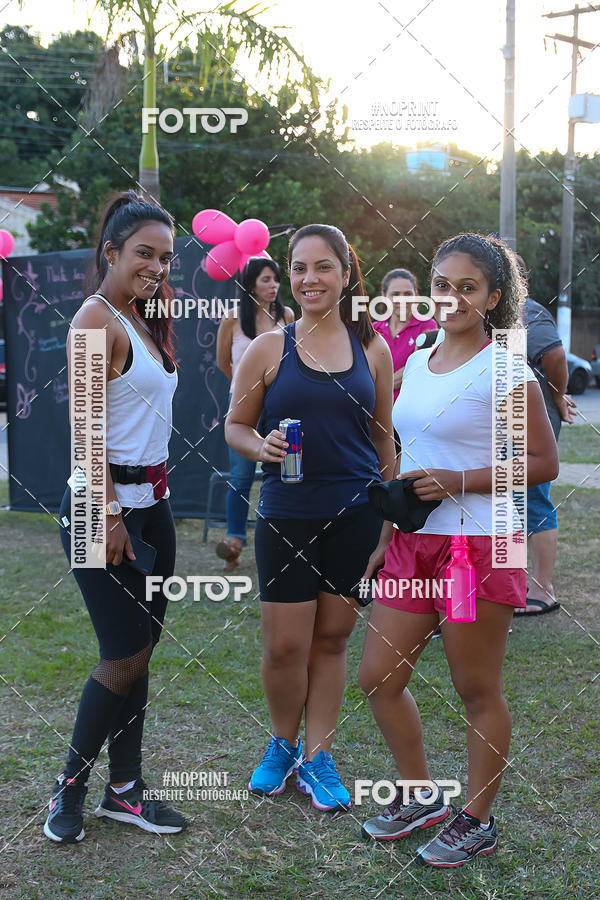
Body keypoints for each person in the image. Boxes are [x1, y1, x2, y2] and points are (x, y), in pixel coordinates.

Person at [358, 233, 559, 866]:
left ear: (493, 297)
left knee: (475, 687)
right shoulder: (419, 360)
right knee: (378, 677)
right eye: (442, 285)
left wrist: (461, 480)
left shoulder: (506, 368)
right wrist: (388, 531)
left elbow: (542, 462)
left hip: (479, 546)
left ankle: (477, 819)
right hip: (415, 542)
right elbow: (408, 448)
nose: (451, 297)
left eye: (467, 287)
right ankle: (420, 795)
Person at [225, 224, 395, 811]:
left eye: (323, 267)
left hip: (355, 515)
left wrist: (389, 517)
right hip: (287, 515)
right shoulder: (268, 347)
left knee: (332, 639)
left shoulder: (373, 348)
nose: (309, 279)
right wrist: (261, 446)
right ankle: (282, 743)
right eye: (299, 267)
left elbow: (383, 441)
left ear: (347, 273)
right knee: (284, 647)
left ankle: (318, 757)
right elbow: (235, 426)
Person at [44, 191, 186, 843]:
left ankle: (124, 791)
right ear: (110, 252)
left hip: (152, 508)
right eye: (143, 254)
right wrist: (107, 515)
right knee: (123, 655)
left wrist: (139, 514)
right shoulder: (93, 320)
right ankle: (70, 787)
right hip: (97, 509)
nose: (156, 267)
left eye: (165, 257)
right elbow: (86, 431)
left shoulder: (144, 318)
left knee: (141, 653)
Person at [215, 258, 293, 570]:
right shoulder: (233, 318)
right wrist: (244, 388)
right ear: (250, 284)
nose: (273, 285)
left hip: (280, 403)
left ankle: (286, 537)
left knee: (288, 469)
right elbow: (223, 362)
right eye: (265, 279)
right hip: (243, 402)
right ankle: (234, 541)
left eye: (276, 279)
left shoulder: (287, 316)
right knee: (241, 475)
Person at [514, 255, 576, 617]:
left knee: (533, 500)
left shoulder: (527, 311)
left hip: (527, 421)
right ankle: (515, 584)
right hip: (500, 423)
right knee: (509, 504)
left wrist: (557, 396)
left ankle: (542, 589)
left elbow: (555, 357)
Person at [373, 268, 437, 402]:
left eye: (408, 294)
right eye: (395, 294)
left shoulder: (427, 326)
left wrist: (378, 387)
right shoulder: (373, 329)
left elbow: (417, 369)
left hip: (409, 407)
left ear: (416, 295)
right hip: (375, 408)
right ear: (384, 296)